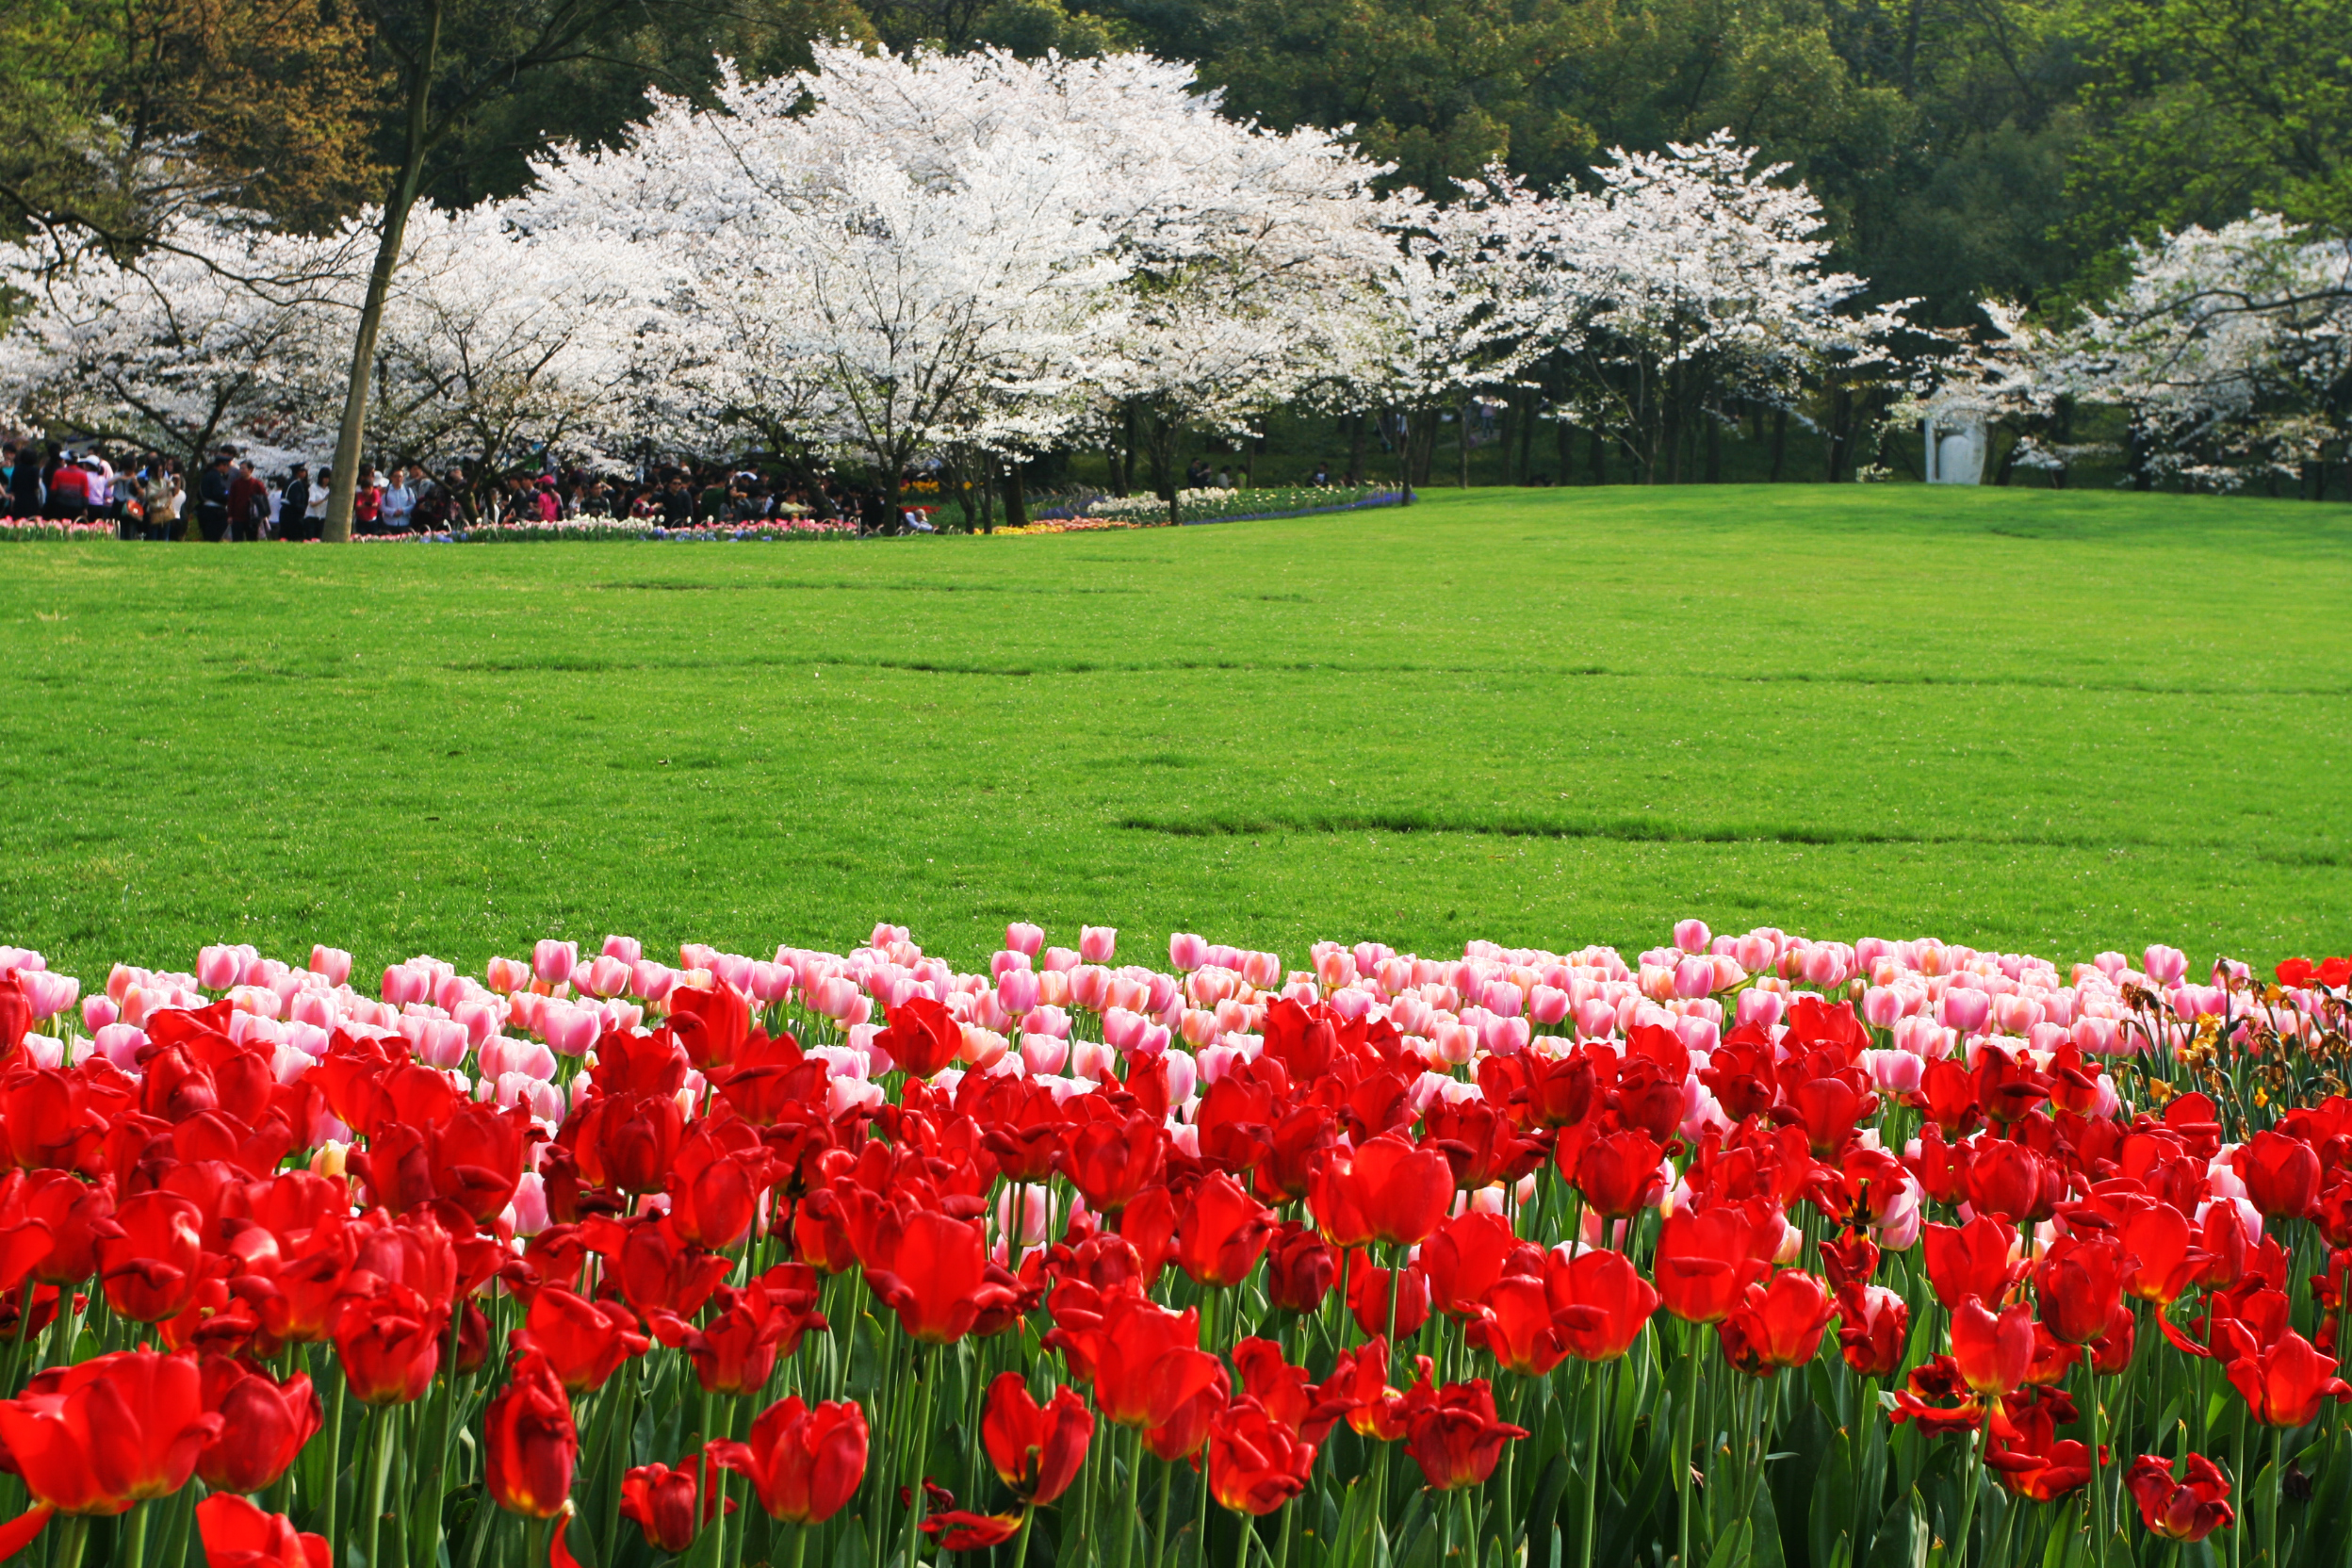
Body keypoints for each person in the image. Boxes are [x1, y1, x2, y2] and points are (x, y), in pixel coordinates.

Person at [196, 451, 234, 542]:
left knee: (208, 537)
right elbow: (218, 493)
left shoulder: (207, 475)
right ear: (221, 465)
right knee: (214, 538)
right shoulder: (216, 476)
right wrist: (229, 497)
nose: (228, 468)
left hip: (205, 510)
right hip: (215, 513)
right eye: (227, 466)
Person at [228, 459, 268, 542]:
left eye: (243, 468)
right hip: (237, 517)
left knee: (252, 540)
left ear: (251, 470)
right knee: (237, 540)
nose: (241, 471)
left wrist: (263, 515)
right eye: (240, 468)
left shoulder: (257, 484)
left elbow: (263, 499)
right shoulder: (236, 483)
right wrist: (230, 515)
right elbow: (231, 499)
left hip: (252, 518)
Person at [278, 465, 313, 542]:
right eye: (303, 471)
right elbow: (295, 501)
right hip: (293, 515)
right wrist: (303, 510)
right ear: (298, 472)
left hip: (285, 513)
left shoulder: (289, 482)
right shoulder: (296, 484)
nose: (305, 473)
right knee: (296, 538)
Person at [380, 466, 416, 532]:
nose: (398, 479)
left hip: (404, 522)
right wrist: (393, 512)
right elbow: (381, 506)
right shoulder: (386, 490)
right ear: (391, 477)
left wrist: (403, 511)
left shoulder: (408, 490)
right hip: (389, 523)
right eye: (396, 476)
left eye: (400, 476)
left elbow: (413, 504)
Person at [351, 465, 383, 534]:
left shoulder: (375, 491)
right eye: (371, 475)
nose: (373, 477)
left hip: (372, 519)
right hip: (359, 519)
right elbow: (357, 505)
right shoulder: (356, 490)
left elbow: (377, 502)